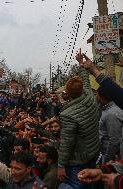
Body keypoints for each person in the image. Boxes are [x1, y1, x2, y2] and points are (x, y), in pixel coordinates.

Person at [57, 51, 101, 189]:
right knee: (91, 184)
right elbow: (85, 80)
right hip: (93, 152)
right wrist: (81, 64)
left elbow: (66, 143)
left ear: (68, 94)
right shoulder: (89, 96)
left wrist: (61, 166)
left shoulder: (67, 114)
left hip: (77, 161)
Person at [0, 124, 44, 188]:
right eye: (12, 167)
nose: (13, 171)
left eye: (17, 169)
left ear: (28, 169)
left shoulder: (37, 186)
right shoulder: (10, 175)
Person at [97, 86, 123, 163]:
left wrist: (107, 159)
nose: (96, 97)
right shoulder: (106, 109)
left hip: (110, 156)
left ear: (102, 97)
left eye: (97, 94)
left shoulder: (111, 114)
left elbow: (115, 141)